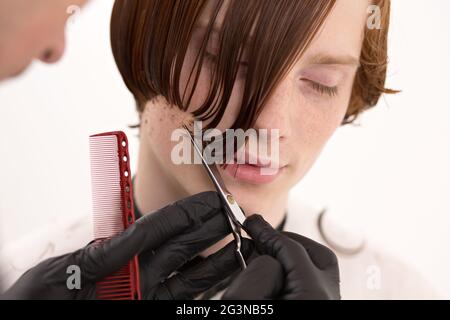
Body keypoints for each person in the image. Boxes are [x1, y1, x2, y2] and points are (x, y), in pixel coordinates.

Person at [0, 0, 340, 300]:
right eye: (222, 59)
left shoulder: (391, 286)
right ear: (141, 50)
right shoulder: (15, 276)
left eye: (321, 81)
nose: (269, 125)